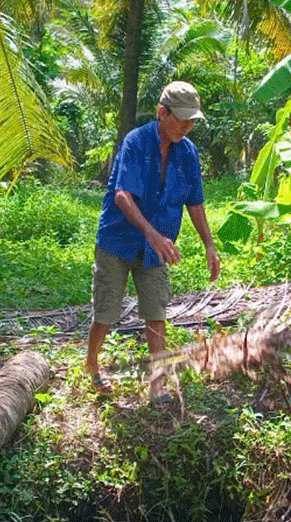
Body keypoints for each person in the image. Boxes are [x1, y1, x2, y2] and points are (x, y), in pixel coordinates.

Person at [85, 81, 220, 404]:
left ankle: (157, 383)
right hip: (118, 240)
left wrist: (209, 245)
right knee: (106, 310)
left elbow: (195, 202)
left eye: (192, 121)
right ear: (162, 113)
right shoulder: (135, 142)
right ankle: (91, 364)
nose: (187, 127)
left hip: (157, 245)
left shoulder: (188, 153)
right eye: (182, 120)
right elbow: (122, 195)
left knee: (155, 310)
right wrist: (151, 233)